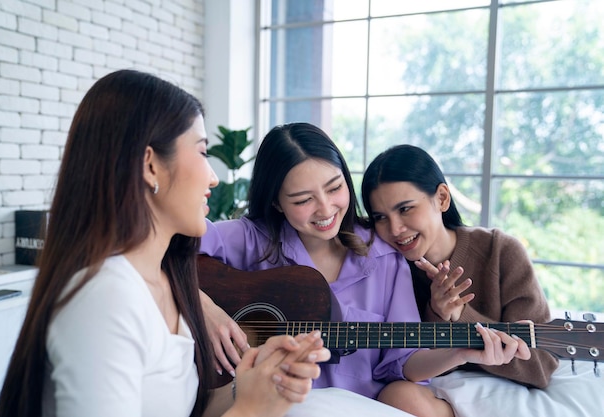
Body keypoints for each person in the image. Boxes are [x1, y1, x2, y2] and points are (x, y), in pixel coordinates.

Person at [0, 70, 331, 417]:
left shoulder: (165, 281)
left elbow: (186, 409)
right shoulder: (104, 296)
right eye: (202, 152)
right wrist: (251, 410)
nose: (213, 177)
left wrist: (255, 383)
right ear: (151, 165)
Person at [198, 123, 532, 417]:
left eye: (334, 188)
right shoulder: (251, 238)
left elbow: (405, 362)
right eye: (303, 200)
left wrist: (459, 351)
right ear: (276, 203)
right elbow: (168, 247)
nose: (326, 209)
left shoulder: (384, 254)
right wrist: (207, 307)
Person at [361, 144, 559, 391]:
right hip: (431, 397)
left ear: (442, 198)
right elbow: (404, 366)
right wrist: (437, 312)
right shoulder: (387, 267)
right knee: (399, 395)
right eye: (380, 217)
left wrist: (460, 313)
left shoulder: (501, 251)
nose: (394, 229)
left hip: (503, 394)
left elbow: (541, 366)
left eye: (405, 209)